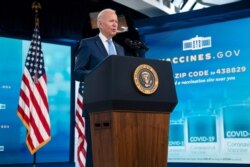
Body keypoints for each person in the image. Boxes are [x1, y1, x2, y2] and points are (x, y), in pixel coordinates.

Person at [74, 8, 125, 167]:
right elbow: (77, 72)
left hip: (118, 108)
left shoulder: (120, 49)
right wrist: (97, 73)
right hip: (96, 107)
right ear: (100, 24)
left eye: (116, 21)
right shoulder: (88, 44)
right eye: (112, 21)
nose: (115, 24)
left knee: (116, 150)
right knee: (96, 152)